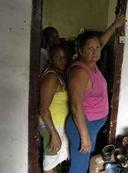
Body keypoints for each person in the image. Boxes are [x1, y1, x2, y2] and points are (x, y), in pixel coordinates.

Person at [66, 15, 126, 173]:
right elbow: (75, 105)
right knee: (79, 167)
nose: (95, 51)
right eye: (89, 49)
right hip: (82, 126)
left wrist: (115, 25)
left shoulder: (91, 63)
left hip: (91, 125)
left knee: (87, 163)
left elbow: (101, 42)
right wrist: (84, 136)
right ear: (79, 50)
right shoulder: (80, 71)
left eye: (97, 48)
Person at [38, 45, 69, 173]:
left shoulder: (57, 75)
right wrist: (54, 133)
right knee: (49, 166)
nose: (62, 60)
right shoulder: (51, 77)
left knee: (55, 162)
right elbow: (43, 108)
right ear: (51, 59)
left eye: (64, 57)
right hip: (50, 126)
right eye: (58, 57)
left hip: (56, 125)